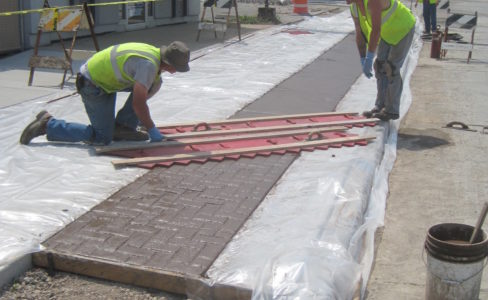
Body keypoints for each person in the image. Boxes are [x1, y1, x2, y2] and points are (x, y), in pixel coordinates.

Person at [20, 41, 190, 145]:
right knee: (102, 138)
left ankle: (122, 126)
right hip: (92, 84)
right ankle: (48, 124)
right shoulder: (148, 65)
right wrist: (151, 128)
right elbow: (139, 103)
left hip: (106, 81)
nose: (175, 72)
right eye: (176, 68)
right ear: (168, 62)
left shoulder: (153, 55)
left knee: (155, 83)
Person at [347, 0, 416, 121]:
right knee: (379, 66)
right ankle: (380, 105)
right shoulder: (354, 8)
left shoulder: (373, 1)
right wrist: (363, 57)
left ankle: (391, 110)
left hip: (403, 28)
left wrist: (369, 56)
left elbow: (376, 29)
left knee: (391, 68)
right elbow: (359, 33)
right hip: (387, 32)